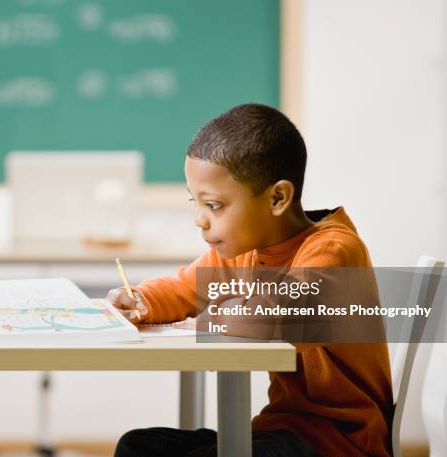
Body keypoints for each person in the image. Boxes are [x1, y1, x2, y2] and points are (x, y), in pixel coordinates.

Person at [107, 104, 393, 457]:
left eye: (213, 205)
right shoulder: (246, 248)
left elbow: (274, 318)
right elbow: (184, 288)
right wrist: (141, 300)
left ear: (277, 198)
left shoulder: (333, 251)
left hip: (337, 441)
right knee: (138, 447)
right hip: (281, 428)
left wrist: (213, 317)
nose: (200, 219)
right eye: (194, 202)